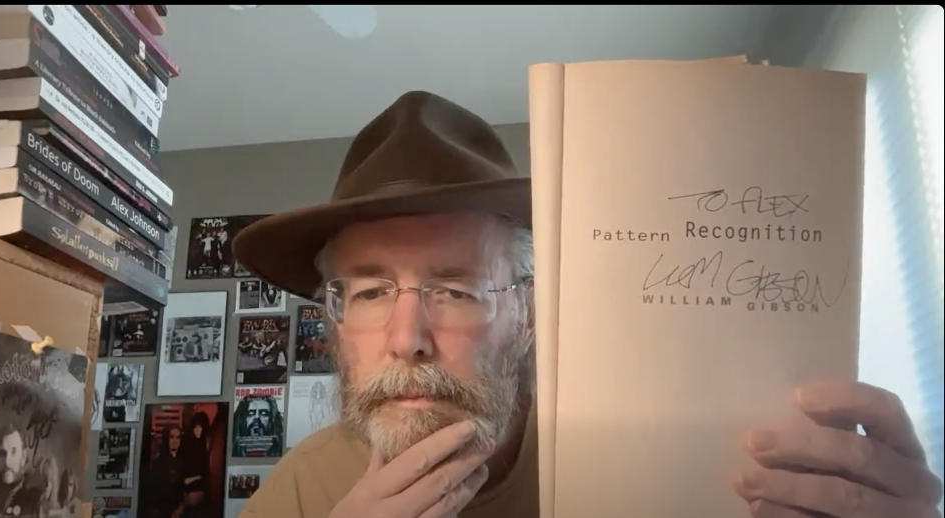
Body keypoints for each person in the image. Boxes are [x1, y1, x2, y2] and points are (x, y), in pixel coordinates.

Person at [231, 91, 944, 517]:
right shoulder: (301, 493)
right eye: (370, 291)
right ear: (333, 314)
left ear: (529, 312)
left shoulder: (659, 462)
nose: (407, 336)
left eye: (455, 288)